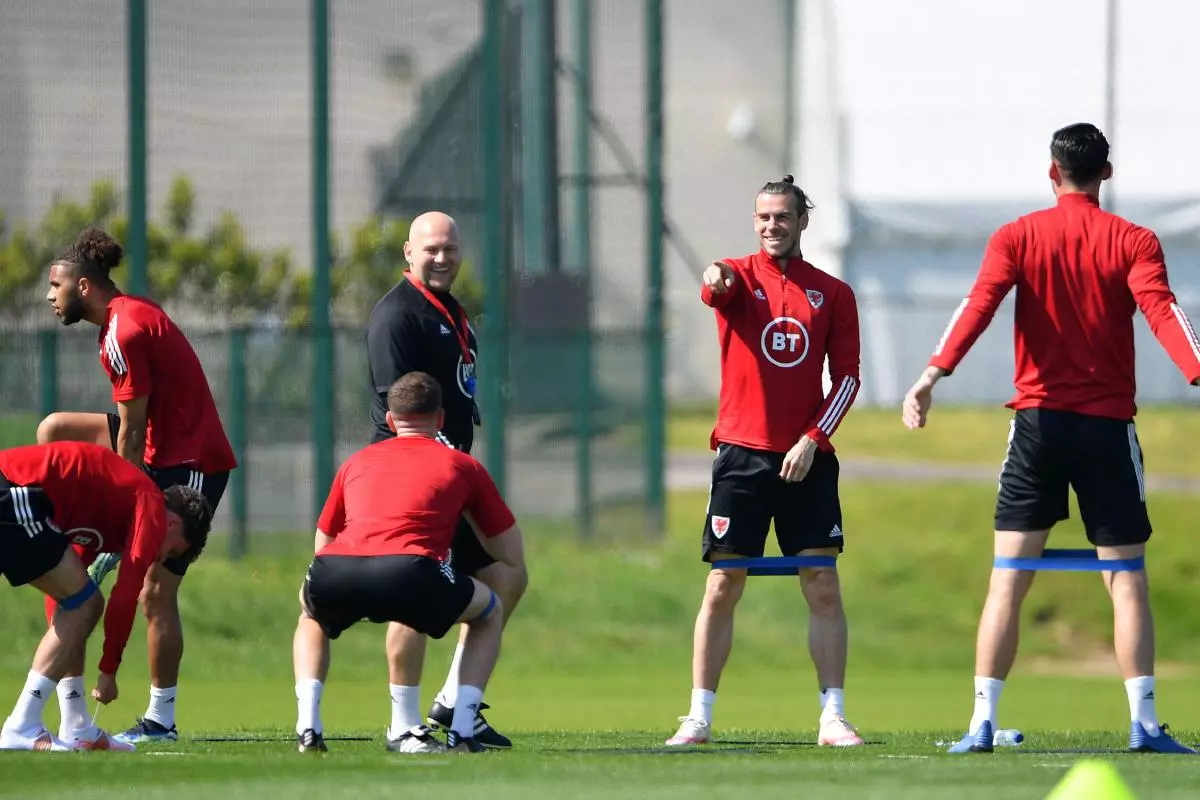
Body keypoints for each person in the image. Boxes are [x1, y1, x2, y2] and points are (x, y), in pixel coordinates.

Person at [902, 123, 1200, 755]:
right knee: (1126, 578)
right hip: (1105, 429)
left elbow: (977, 304)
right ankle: (1144, 725)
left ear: (1051, 171)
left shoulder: (1017, 235)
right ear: (1106, 175)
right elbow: (1163, 310)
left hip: (1037, 427)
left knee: (1008, 575)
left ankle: (982, 722)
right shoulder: (1133, 239)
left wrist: (932, 374)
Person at [666, 176, 864, 748]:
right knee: (723, 583)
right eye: (763, 217)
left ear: (803, 221)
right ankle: (698, 717)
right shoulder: (736, 276)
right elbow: (715, 287)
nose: (772, 226)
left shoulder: (833, 293)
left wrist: (813, 439)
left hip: (807, 457)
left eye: (782, 216)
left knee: (821, 583)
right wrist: (714, 276)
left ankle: (833, 717)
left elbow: (847, 379)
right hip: (741, 458)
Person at [38, 226, 237, 745]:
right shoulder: (121, 321)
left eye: (54, 286)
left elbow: (131, 426)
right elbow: (136, 427)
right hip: (157, 448)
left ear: (84, 287)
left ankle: (161, 720)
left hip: (190, 461)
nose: (48, 297)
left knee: (154, 592)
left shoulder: (123, 331)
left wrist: (122, 501)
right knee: (54, 429)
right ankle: (47, 513)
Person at [292, 372, 525, 754]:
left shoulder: (356, 461)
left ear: (389, 420)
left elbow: (323, 543)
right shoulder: (462, 465)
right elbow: (511, 555)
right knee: (488, 612)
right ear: (441, 418)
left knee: (311, 613)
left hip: (337, 567)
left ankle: (308, 725)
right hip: (411, 570)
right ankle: (461, 729)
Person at [364, 211, 527, 749]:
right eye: (430, 249)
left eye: (450, 249)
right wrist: (435, 471)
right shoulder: (397, 316)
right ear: (408, 251)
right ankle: (403, 722)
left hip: (451, 482)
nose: (441, 258)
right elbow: (399, 409)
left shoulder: (451, 310)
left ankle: (456, 701)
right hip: (414, 485)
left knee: (507, 574)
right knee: (416, 595)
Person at [0, 441, 211, 752]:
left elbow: (64, 601)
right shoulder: (149, 505)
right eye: (172, 550)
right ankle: (22, 724)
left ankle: (76, 724)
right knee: (87, 602)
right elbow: (125, 596)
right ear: (172, 523)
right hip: (14, 492)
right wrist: (108, 671)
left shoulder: (107, 509)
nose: (160, 557)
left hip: (15, 494)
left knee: (78, 601)